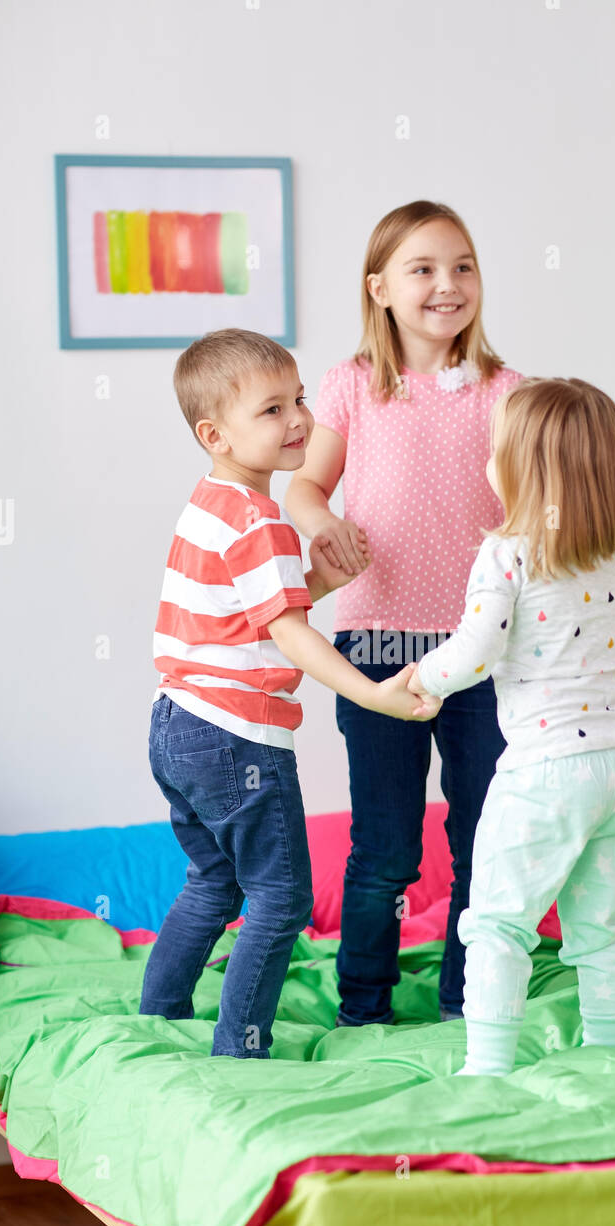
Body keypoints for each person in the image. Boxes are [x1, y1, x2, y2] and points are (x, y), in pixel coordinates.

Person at [140, 329, 438, 1060]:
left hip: (176, 726)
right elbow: (292, 637)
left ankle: (159, 1015)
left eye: (299, 399)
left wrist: (325, 583)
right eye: (272, 410)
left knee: (214, 883)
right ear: (215, 434)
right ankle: (241, 1048)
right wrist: (374, 695)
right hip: (237, 736)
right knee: (282, 900)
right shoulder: (263, 519)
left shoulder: (211, 504)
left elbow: (255, 613)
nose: (299, 419)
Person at [285, 200, 522, 1026]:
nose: (446, 285)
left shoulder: (508, 392)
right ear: (380, 288)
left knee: (481, 841)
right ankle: (363, 1005)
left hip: (485, 651)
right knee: (385, 849)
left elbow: (533, 502)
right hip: (377, 648)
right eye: (422, 269)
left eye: (462, 266)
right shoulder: (352, 386)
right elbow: (305, 485)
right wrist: (323, 526)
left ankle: (467, 1001)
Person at [409, 377, 615, 1075]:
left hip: (547, 769)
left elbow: (475, 652)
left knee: (495, 923)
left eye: (497, 449)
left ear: (521, 469)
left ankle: (487, 1070)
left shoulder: (507, 553)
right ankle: (613, 1061)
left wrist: (420, 680)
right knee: (602, 926)